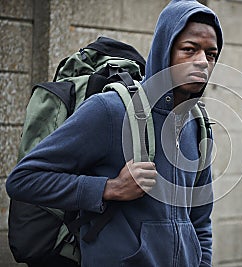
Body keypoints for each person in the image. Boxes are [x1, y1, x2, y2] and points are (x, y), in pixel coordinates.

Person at [6, 0, 223, 266]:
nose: (202, 62)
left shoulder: (198, 124)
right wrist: (108, 188)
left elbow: (200, 222)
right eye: (189, 50)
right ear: (165, 51)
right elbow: (23, 179)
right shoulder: (111, 110)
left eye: (211, 54)